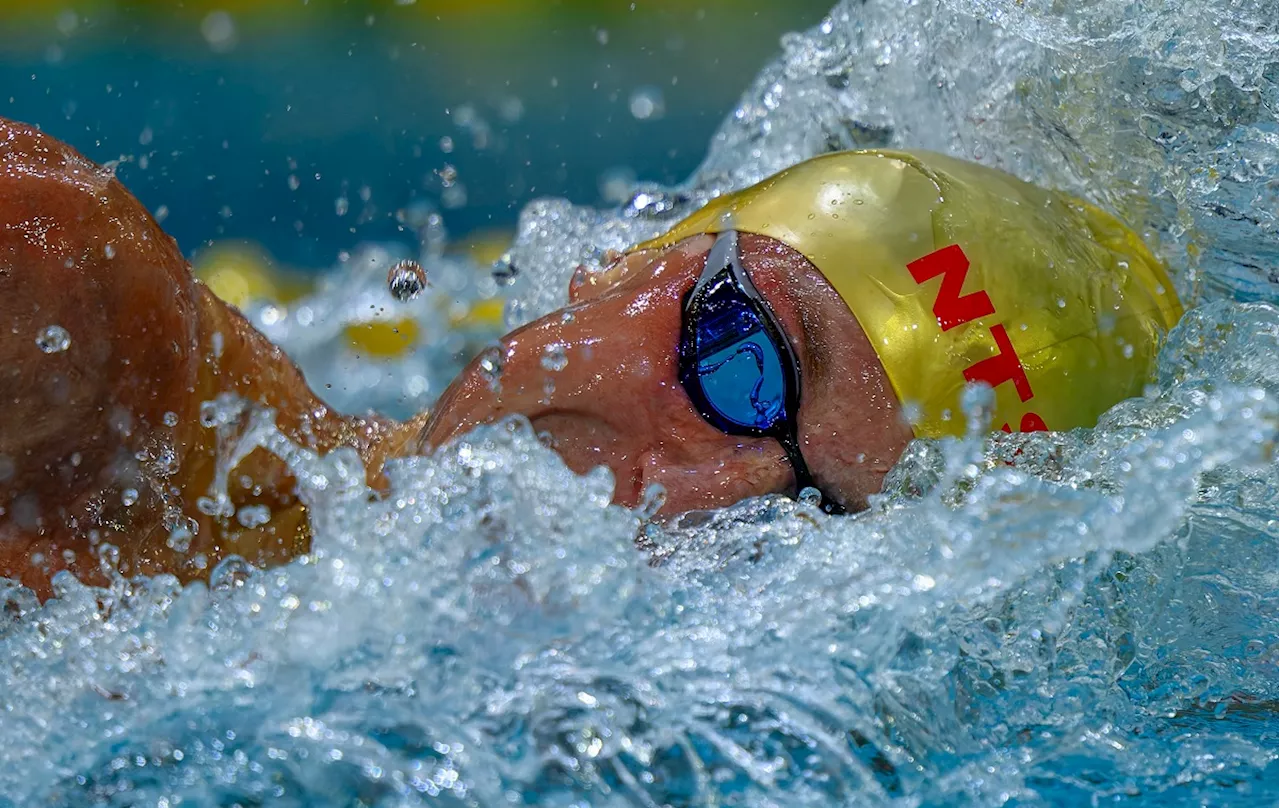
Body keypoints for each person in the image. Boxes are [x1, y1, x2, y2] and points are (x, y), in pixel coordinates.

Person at [0, 117, 1182, 598]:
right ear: (621, 260)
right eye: (739, 362)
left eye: (809, 519)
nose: (692, 493)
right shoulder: (67, 304)